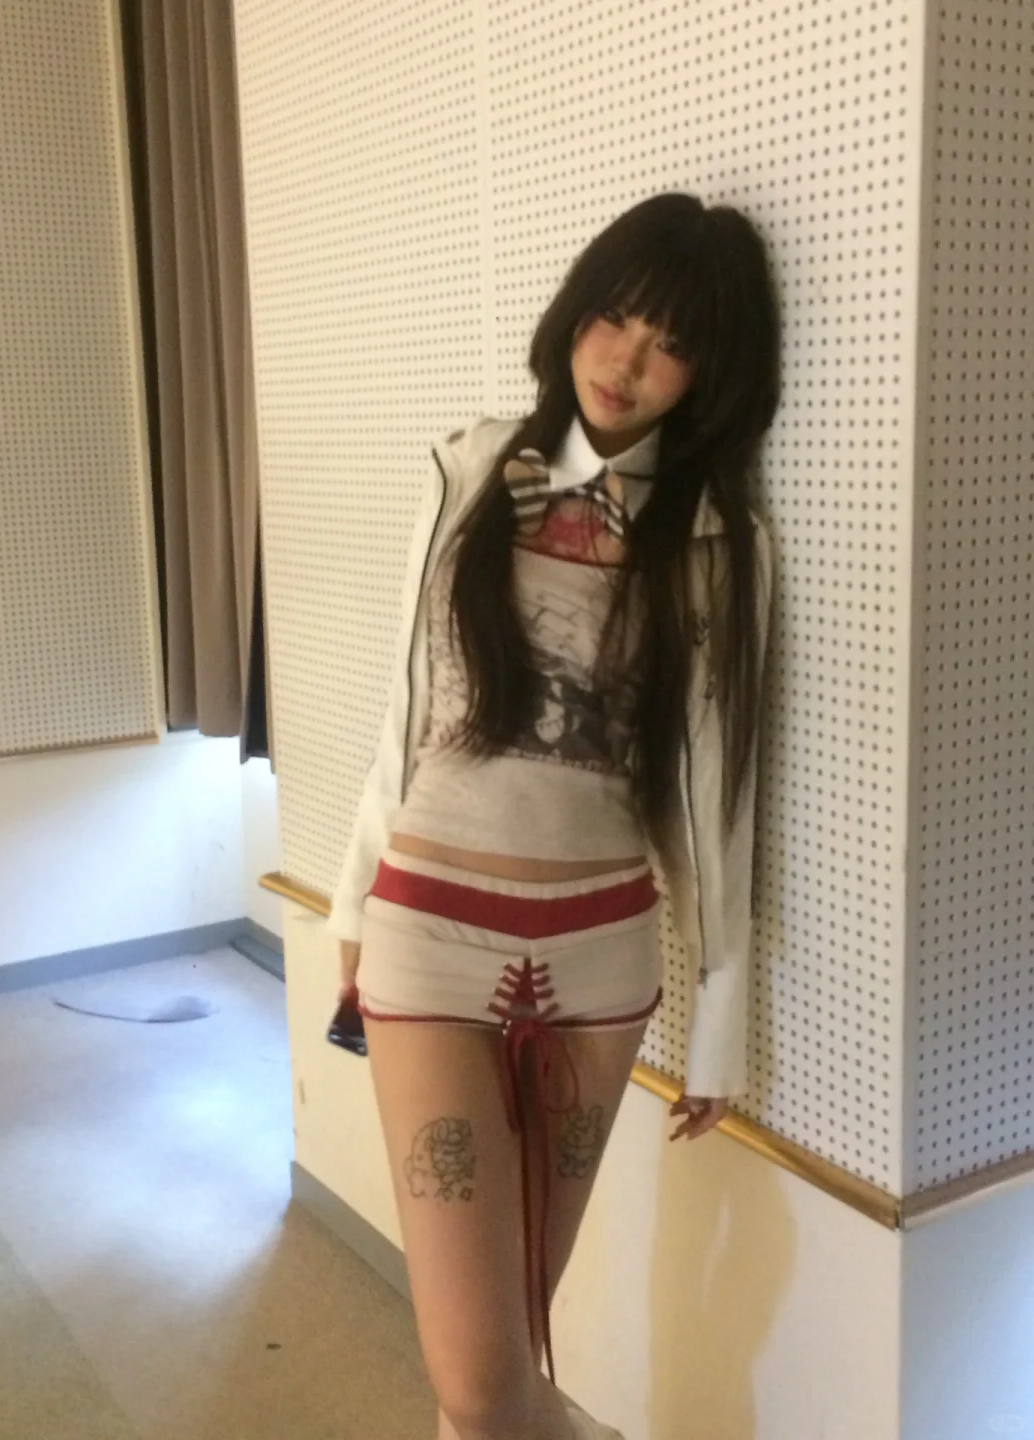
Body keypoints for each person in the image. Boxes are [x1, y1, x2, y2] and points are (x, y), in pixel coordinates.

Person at [325, 191, 781, 1440]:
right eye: (614, 316)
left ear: (710, 373)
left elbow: (711, 789)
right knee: (480, 1378)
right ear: (576, 311)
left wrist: (721, 1017)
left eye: (671, 343)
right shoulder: (473, 467)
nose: (626, 360)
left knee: (512, 1335)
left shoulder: (717, 539)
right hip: (429, 936)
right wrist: (354, 903)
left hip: (599, 959)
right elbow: (406, 707)